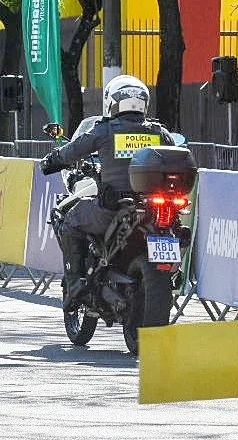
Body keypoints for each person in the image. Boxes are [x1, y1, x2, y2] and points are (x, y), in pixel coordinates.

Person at [39, 74, 175, 305]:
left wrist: (51, 161)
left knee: (70, 221)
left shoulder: (105, 130)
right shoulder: (159, 132)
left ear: (111, 102)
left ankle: (75, 284)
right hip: (153, 209)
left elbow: (72, 151)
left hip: (112, 209)